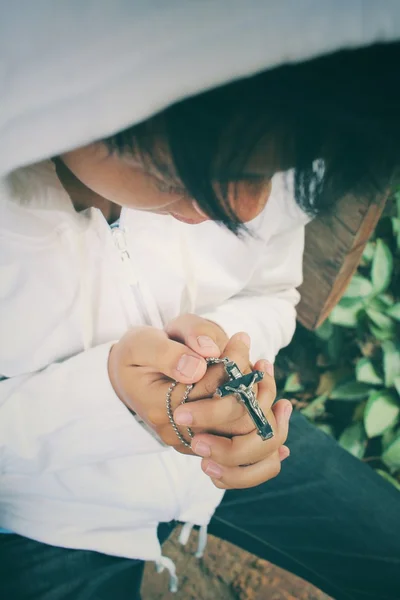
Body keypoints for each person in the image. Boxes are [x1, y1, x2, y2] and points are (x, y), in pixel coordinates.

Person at [1, 42, 400, 600]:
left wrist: (228, 346)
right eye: (172, 174)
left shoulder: (277, 101)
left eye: (269, 173)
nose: (241, 210)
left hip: (230, 443)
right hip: (46, 510)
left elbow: (274, 292)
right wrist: (109, 393)